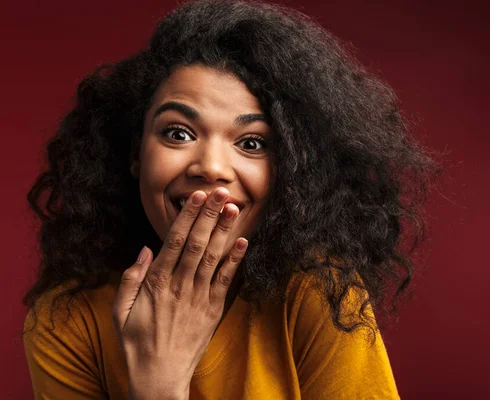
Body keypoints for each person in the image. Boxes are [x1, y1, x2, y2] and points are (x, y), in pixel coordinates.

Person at [22, 0, 436, 398]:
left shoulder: (318, 294)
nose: (212, 167)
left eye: (252, 142)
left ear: (290, 169)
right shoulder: (65, 319)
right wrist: (157, 385)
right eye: (178, 133)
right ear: (135, 154)